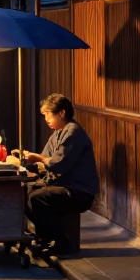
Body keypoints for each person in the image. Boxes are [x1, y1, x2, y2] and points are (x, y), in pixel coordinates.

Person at [21, 93, 98, 255]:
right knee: (23, 190)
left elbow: (57, 164)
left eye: (48, 114)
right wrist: (23, 162)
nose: (46, 119)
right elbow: (43, 163)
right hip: (61, 184)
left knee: (38, 197)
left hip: (78, 190)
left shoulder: (72, 132)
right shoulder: (57, 133)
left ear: (61, 113)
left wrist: (38, 158)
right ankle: (44, 236)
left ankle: (62, 242)